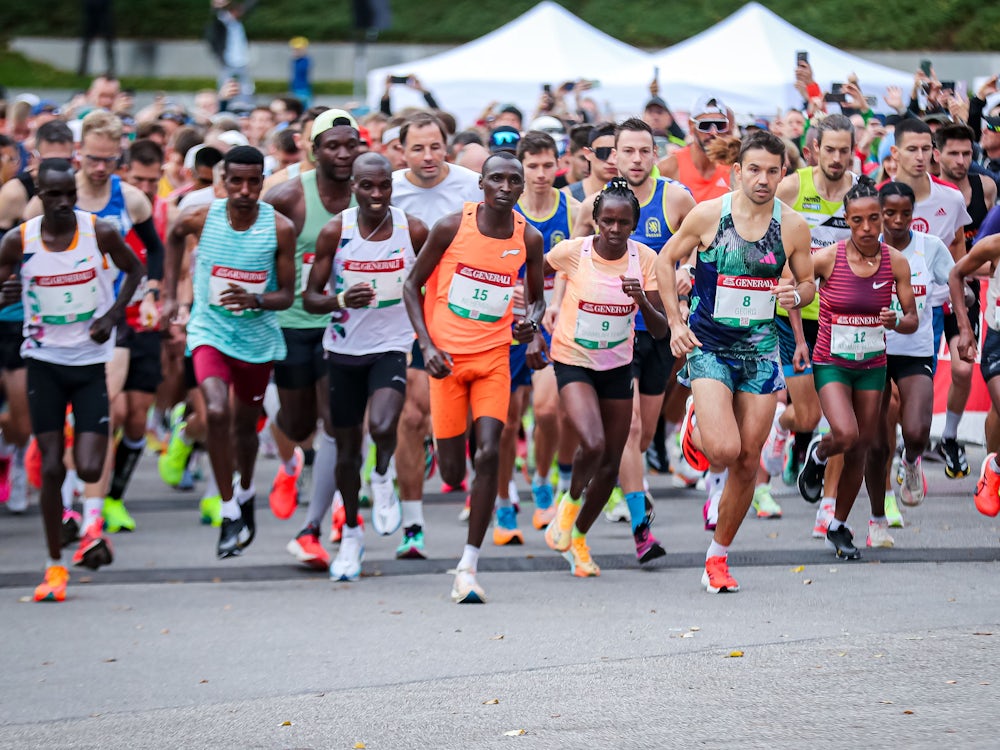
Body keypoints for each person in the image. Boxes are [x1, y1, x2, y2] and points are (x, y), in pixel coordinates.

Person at [657, 130, 815, 592]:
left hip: (761, 352)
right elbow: (665, 261)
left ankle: (718, 556)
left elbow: (807, 285)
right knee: (723, 451)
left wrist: (795, 292)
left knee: (748, 461)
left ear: (782, 173)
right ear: (737, 171)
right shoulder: (709, 216)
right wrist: (675, 322)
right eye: (754, 169)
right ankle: (694, 421)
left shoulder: (793, 226)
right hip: (709, 346)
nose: (763, 179)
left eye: (772, 170)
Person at [403, 153, 545, 603]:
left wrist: (531, 324)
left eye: (513, 180)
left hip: (493, 360)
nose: (505, 186)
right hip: (445, 362)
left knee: (489, 454)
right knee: (452, 472)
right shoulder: (450, 227)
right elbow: (412, 286)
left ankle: (468, 564)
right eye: (497, 178)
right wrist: (425, 346)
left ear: (522, 188)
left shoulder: (530, 238)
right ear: (481, 184)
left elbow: (537, 300)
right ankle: (439, 442)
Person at [0, 158, 142, 602]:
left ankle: (85, 510)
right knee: (52, 464)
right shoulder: (17, 240)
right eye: (53, 195)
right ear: (38, 194)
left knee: (90, 465)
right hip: (42, 361)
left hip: (87, 365)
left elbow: (135, 271)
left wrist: (111, 315)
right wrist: (4, 293)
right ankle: (54, 565)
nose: (62, 203)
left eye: (69, 195)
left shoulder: (98, 231)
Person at [163, 145, 295, 559]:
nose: (243, 189)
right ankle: (227, 509)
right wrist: (169, 295)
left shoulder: (280, 228)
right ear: (222, 182)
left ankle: (247, 489)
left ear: (262, 181)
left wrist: (255, 300)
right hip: (210, 332)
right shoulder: (202, 218)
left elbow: (288, 296)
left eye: (252, 181)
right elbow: (172, 235)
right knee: (216, 412)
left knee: (244, 428)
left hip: (256, 340)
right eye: (234, 181)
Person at [303, 153, 428, 580]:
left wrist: (427, 336)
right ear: (353, 187)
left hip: (392, 346)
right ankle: (352, 535)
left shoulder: (413, 228)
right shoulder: (335, 231)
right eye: (367, 187)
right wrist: (341, 300)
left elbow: (429, 286)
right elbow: (309, 298)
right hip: (342, 350)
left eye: (384, 186)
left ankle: (382, 472)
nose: (377, 195)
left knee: (382, 424)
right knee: (346, 450)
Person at [574, 117, 694, 555]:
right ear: (614, 156)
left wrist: (689, 269)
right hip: (612, 331)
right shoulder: (594, 204)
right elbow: (574, 262)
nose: (638, 159)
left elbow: (703, 241)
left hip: (659, 328)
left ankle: (620, 479)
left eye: (646, 151)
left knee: (641, 436)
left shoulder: (676, 199)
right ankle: (642, 528)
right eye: (628, 151)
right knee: (632, 430)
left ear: (655, 154)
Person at [543, 178, 667, 575]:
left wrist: (642, 300)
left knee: (612, 464)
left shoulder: (644, 258)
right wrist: (533, 308)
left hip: (617, 364)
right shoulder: (573, 252)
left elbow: (662, 329)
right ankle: (568, 506)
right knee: (593, 445)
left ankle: (577, 537)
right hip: (573, 358)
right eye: (608, 221)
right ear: (595, 220)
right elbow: (534, 267)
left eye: (624, 223)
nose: (615, 230)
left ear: (634, 224)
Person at [256, 109, 360, 566]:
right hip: (295, 323)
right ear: (313, 151)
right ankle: (292, 460)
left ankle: (320, 522)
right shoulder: (287, 198)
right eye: (331, 146)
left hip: (345, 328)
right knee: (300, 427)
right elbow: (256, 254)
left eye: (349, 145)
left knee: (338, 424)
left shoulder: (369, 194)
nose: (342, 154)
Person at [796, 180, 918, 559]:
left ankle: (838, 525)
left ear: (883, 219)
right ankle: (817, 454)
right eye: (857, 221)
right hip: (831, 361)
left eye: (874, 219)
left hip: (872, 365)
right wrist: (801, 340)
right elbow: (796, 289)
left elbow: (912, 318)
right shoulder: (828, 257)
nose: (867, 228)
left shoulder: (896, 262)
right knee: (846, 434)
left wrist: (896, 320)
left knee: (862, 445)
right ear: (846, 221)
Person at [391, 112, 483, 558]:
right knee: (410, 415)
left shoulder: (470, 184)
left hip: (463, 313)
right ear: (401, 151)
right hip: (406, 310)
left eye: (435, 147)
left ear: (446, 145)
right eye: (417, 149)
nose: (428, 157)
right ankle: (413, 525)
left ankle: (437, 444)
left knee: (449, 414)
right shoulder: (386, 188)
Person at [772, 114, 859, 534]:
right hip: (797, 319)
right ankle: (781, 426)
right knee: (805, 416)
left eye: (845, 150)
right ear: (813, 151)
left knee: (841, 421)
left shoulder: (860, 192)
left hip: (843, 320)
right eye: (830, 150)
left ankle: (827, 508)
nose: (838, 158)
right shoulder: (792, 188)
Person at [881, 118, 971, 477]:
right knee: (888, 405)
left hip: (929, 309)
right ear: (895, 154)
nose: (920, 157)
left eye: (925, 149)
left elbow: (958, 249)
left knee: (914, 409)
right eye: (911, 149)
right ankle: (883, 483)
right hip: (882, 310)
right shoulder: (877, 195)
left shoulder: (949, 197)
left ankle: (913, 454)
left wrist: (962, 305)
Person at [862, 182, 953, 531]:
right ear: (878, 214)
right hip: (872, 352)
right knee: (877, 441)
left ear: (914, 214)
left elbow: (956, 276)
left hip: (915, 349)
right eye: (889, 213)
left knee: (916, 431)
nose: (898, 221)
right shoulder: (866, 249)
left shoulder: (929, 248)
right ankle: (878, 515)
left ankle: (911, 462)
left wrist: (965, 306)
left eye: (905, 213)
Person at [508, 131, 579, 533]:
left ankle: (543, 480)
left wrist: (554, 302)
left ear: (559, 164)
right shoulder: (507, 209)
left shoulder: (572, 208)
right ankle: (505, 494)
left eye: (546, 165)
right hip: (510, 323)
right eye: (531, 166)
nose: (539, 173)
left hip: (556, 319)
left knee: (551, 409)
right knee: (507, 419)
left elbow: (578, 260)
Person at [949, 228, 1000, 516]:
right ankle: (994, 468)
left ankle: (996, 466)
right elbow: (956, 274)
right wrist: (965, 328)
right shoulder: (994, 244)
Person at [658, 96, 733, 203]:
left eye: (720, 125)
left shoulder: (733, 167)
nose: (713, 132)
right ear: (691, 126)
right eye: (705, 125)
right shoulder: (669, 166)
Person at [78, 0, 116, 77]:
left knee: (108, 47)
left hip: (103, 18)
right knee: (86, 46)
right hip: (91, 18)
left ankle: (111, 70)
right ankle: (82, 70)